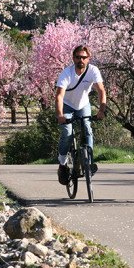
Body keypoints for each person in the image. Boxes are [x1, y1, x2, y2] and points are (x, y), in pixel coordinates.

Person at [55, 45, 106, 185]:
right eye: (78, 57)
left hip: (83, 105)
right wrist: (60, 115)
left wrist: (102, 110)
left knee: (87, 129)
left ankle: (88, 163)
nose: (81, 60)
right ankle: (63, 164)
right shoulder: (67, 73)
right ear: (73, 58)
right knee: (67, 133)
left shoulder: (93, 70)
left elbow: (101, 90)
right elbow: (59, 96)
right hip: (67, 106)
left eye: (83, 57)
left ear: (88, 59)